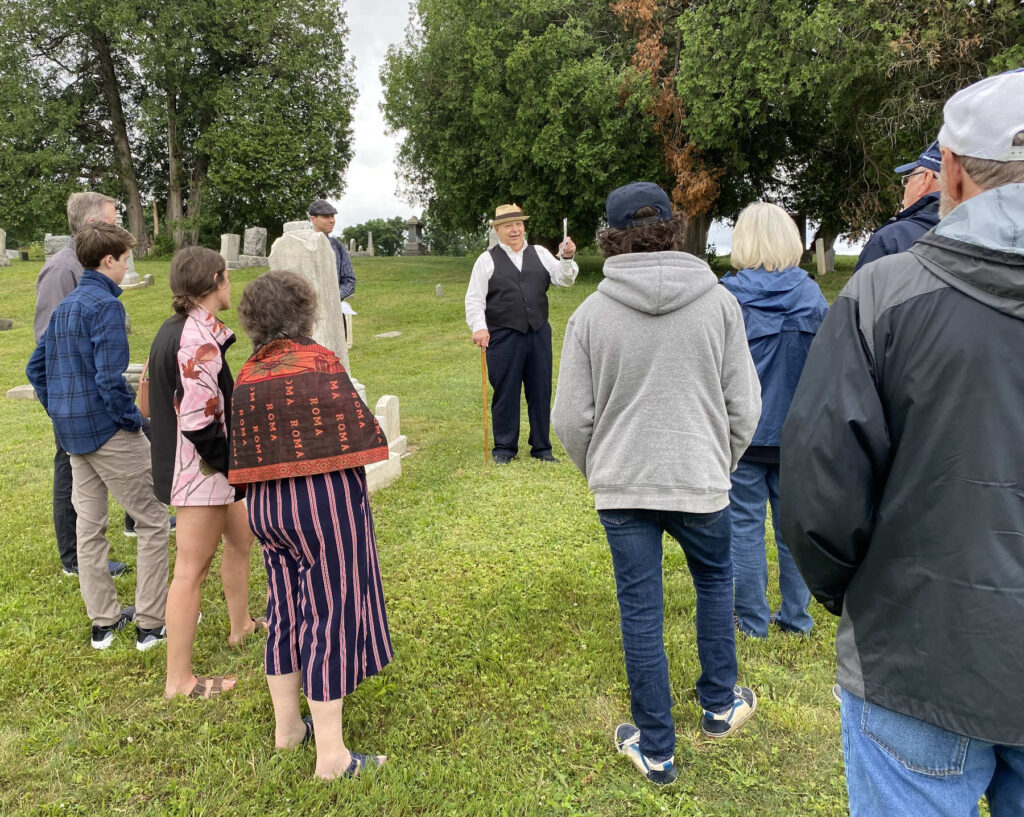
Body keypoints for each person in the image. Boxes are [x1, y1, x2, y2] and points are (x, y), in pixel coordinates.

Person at [780, 70, 1024, 817]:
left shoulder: (885, 295)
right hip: (919, 646)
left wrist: (852, 594)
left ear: (949, 170)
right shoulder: (884, 292)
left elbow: (820, 491)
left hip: (915, 652)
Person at [552, 182, 762, 786]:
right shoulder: (719, 303)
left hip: (625, 486)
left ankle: (658, 747)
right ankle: (720, 706)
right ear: (673, 226)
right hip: (700, 480)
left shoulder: (591, 314)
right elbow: (744, 405)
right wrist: (719, 464)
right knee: (715, 583)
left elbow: (569, 419)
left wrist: (603, 470)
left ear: (609, 237)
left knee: (640, 608)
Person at [229, 270, 393, 779]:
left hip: (265, 510)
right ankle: (332, 756)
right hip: (323, 506)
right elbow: (360, 429)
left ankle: (288, 729)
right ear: (304, 312)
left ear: (253, 322)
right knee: (331, 615)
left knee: (283, 612)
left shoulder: (247, 375)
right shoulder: (320, 363)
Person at [27, 222, 169, 650]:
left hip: (73, 436)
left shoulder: (67, 305)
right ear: (109, 260)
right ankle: (150, 624)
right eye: (127, 259)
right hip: (108, 433)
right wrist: (131, 421)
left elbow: (36, 368)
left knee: (90, 530)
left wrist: (61, 410)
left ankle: (103, 625)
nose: (129, 267)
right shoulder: (105, 306)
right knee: (154, 520)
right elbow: (110, 380)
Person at [148, 247, 265, 697]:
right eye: (227, 277)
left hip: (206, 467)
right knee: (190, 572)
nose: (230, 285)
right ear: (217, 280)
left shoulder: (180, 327)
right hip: (199, 471)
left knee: (241, 538)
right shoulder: (195, 338)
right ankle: (179, 680)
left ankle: (241, 626)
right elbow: (198, 422)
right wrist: (236, 465)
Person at [719, 202, 827, 638]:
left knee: (743, 526)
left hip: (746, 430)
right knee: (793, 531)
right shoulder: (812, 295)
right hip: (798, 432)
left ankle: (752, 621)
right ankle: (797, 618)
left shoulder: (728, 296)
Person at [33, 192, 127, 577]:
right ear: (92, 225)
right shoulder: (61, 271)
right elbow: (48, 343)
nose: (118, 224)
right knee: (69, 471)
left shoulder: (91, 265)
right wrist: (62, 403)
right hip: (73, 398)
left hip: (96, 394)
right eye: (112, 218)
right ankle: (74, 558)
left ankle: (120, 530)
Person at [466, 204, 578, 463]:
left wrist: (567, 258)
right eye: (508, 225)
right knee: (506, 391)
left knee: (540, 390)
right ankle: (504, 448)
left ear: (523, 226)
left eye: (518, 224)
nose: (514, 230)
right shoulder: (486, 260)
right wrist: (479, 327)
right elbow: (474, 299)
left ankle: (542, 448)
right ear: (497, 229)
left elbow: (564, 279)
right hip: (503, 335)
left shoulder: (539, 252)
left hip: (538, 332)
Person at [853, 140, 942, 272]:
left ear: (926, 179)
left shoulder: (890, 241)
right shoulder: (978, 234)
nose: (905, 188)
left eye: (907, 179)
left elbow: (859, 292)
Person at [308, 199, 355, 301]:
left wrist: (334, 297)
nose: (331, 220)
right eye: (326, 217)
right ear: (313, 219)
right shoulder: (304, 245)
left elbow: (349, 280)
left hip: (334, 309)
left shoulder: (338, 246)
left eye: (332, 216)